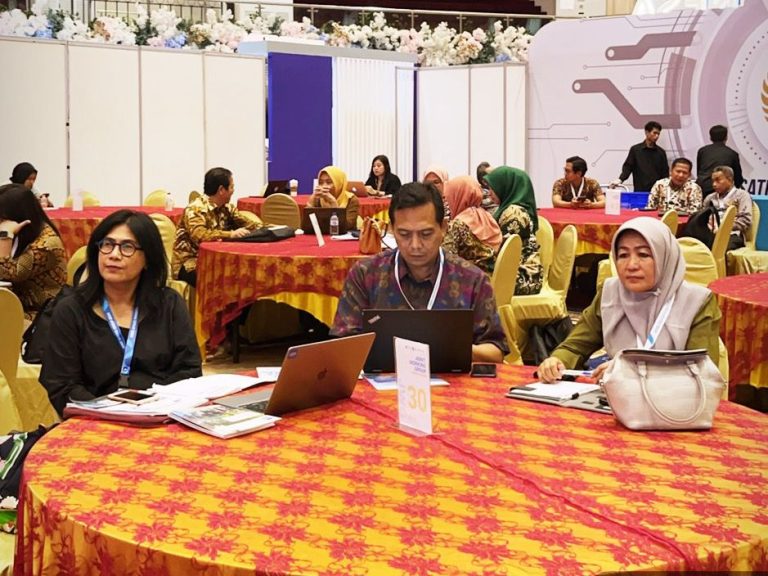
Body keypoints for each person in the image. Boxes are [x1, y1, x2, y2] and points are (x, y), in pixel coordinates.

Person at [40, 210, 202, 416]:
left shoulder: (169, 304)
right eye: (107, 244)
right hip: (94, 420)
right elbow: (61, 385)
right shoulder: (71, 310)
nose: (114, 255)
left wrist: (151, 407)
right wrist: (109, 412)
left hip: (159, 416)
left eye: (127, 247)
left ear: (148, 258)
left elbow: (189, 372)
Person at [331, 182, 508, 363]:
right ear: (391, 229)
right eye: (404, 234)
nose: (415, 245)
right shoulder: (366, 275)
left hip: (452, 377)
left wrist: (452, 348)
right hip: (383, 378)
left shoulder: (471, 280)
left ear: (443, 228)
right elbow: (342, 345)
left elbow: (495, 352)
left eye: (426, 234)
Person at [537, 217, 721, 383]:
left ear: (665, 258)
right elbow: (575, 346)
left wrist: (632, 372)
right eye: (623, 255)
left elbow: (702, 374)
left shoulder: (697, 302)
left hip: (673, 403)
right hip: (615, 398)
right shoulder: (610, 293)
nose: (631, 265)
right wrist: (557, 361)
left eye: (644, 255)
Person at [172, 167, 263, 287]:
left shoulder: (227, 208)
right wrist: (231, 234)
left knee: (244, 276)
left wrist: (271, 228)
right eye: (231, 187)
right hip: (189, 262)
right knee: (221, 283)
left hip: (216, 260)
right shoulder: (195, 209)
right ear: (221, 190)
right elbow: (200, 235)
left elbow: (250, 225)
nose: (233, 191)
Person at [0, 184, 66, 321]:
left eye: (1, 218)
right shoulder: (22, 232)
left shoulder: (47, 244)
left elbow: (8, 273)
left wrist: (5, 235)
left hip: (40, 314)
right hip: (16, 305)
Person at [485, 166, 543, 296]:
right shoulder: (507, 209)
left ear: (505, 187)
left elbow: (504, 253)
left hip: (524, 277)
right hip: (518, 272)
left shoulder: (515, 214)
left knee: (470, 280)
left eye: (492, 188)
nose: (489, 193)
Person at [442, 176, 503, 274]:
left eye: (448, 197)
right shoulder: (488, 217)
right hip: (493, 277)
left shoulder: (457, 225)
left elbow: (446, 260)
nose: (447, 202)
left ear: (457, 196)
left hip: (471, 280)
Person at [702, 165, 753, 251]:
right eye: (713, 181)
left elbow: (746, 220)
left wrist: (723, 227)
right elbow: (702, 217)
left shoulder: (742, 195)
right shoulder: (709, 198)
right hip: (710, 233)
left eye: (718, 180)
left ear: (729, 179)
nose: (714, 184)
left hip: (732, 234)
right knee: (697, 247)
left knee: (718, 249)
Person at [611, 121, 669, 192]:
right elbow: (628, 167)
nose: (657, 136)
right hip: (640, 191)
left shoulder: (661, 152)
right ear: (647, 132)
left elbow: (665, 173)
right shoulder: (635, 150)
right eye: (654, 133)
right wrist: (620, 179)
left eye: (658, 134)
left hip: (656, 192)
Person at [696, 125, 744, 196]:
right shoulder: (732, 153)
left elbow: (699, 172)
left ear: (710, 137)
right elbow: (738, 178)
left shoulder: (702, 151)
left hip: (702, 188)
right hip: (722, 190)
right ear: (726, 137)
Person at [308, 165, 360, 230]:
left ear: (339, 183)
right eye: (320, 183)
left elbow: (347, 226)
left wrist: (333, 203)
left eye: (329, 182)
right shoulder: (317, 198)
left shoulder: (351, 199)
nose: (324, 186)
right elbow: (307, 226)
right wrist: (310, 203)